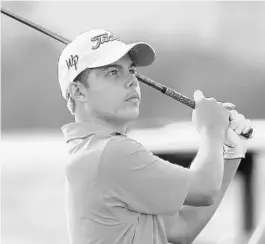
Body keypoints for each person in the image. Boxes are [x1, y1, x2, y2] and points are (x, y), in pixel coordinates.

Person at [57, 29, 252, 244]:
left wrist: (232, 151)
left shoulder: (95, 152)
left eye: (131, 70)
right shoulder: (111, 153)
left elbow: (181, 229)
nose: (132, 81)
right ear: (78, 92)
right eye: (112, 72)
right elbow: (204, 189)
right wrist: (211, 129)